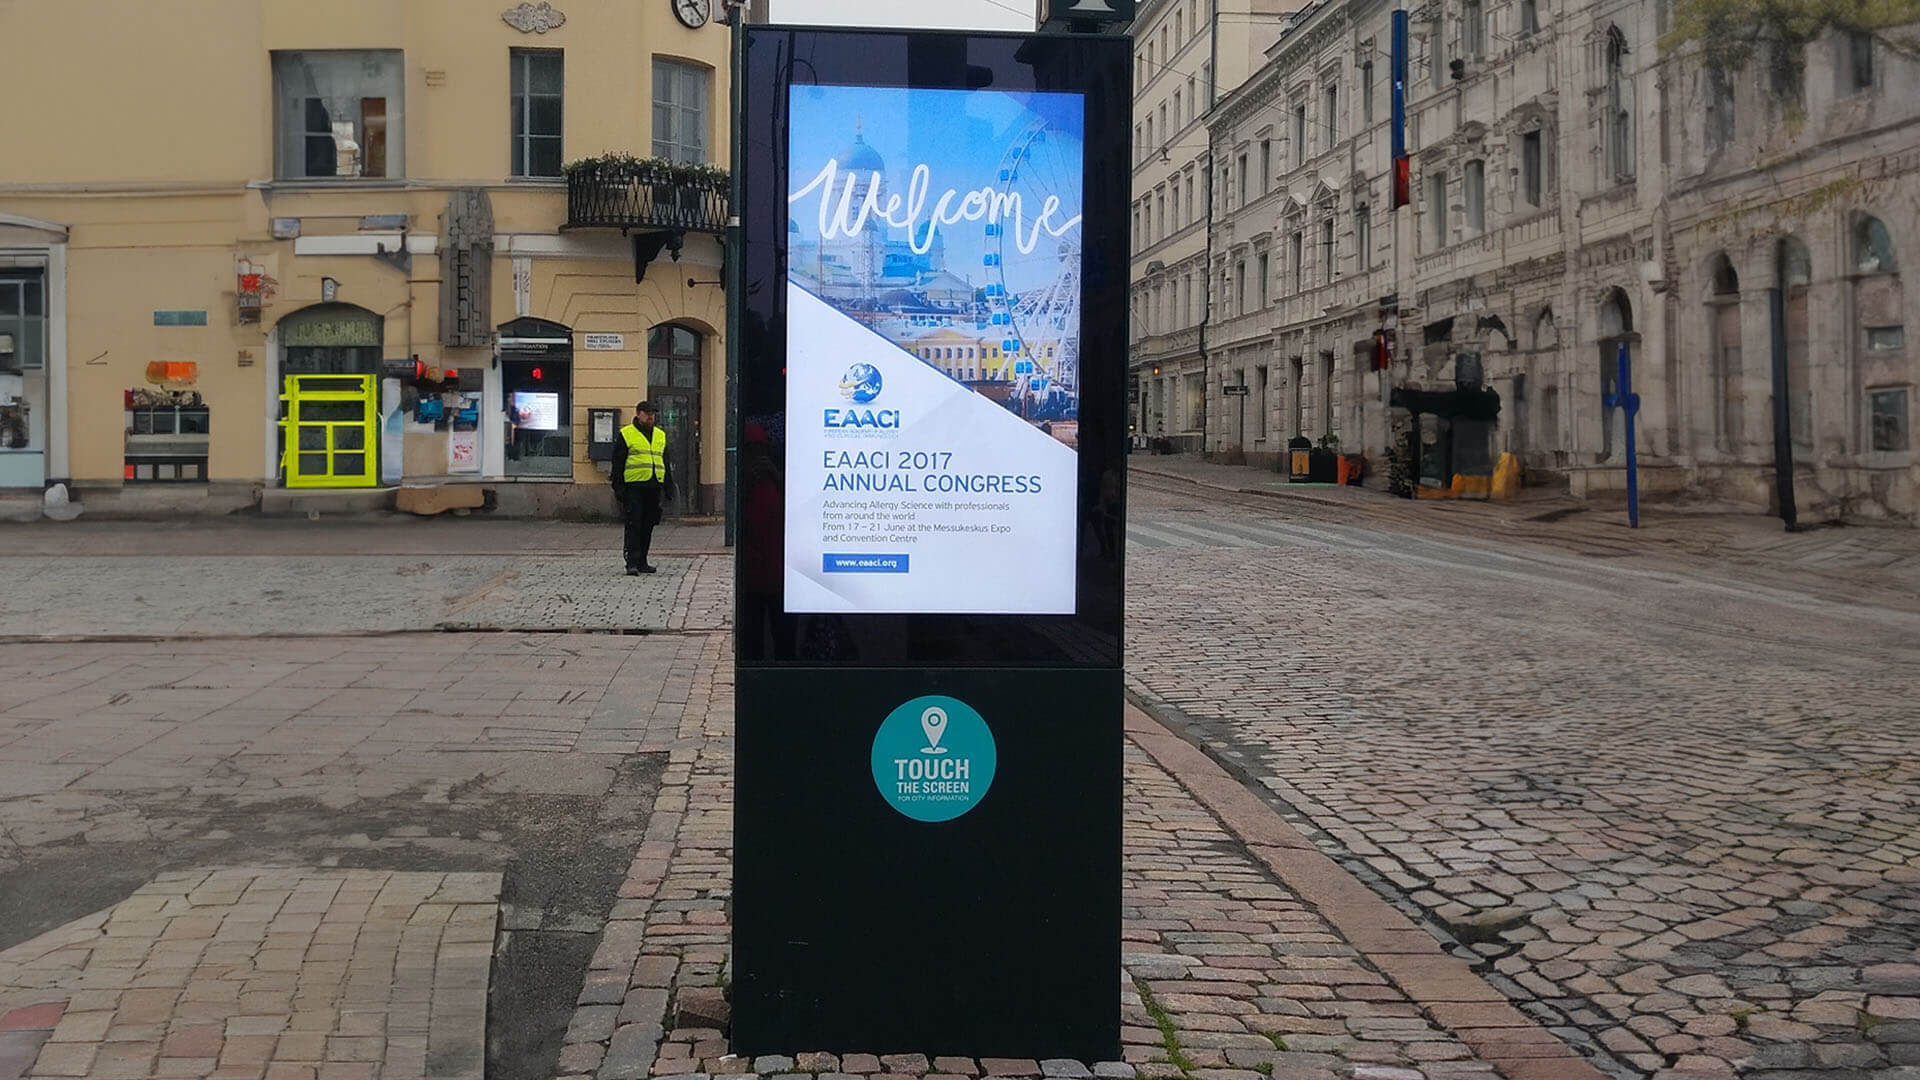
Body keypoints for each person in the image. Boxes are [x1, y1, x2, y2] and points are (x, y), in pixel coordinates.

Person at [611, 400, 673, 575]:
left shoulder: (660, 435)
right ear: (638, 414)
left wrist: (668, 487)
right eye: (647, 413)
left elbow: (665, 462)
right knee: (634, 524)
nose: (650, 416)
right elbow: (618, 462)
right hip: (634, 487)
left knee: (648, 525)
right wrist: (619, 488)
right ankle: (632, 562)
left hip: (653, 486)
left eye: (653, 413)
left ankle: (643, 561)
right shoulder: (627, 434)